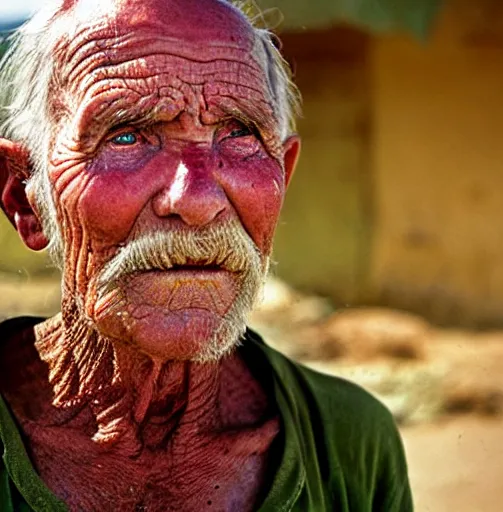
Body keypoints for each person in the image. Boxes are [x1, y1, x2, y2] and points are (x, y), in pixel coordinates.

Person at [0, 0, 413, 510]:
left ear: (283, 174)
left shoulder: (352, 443)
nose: (197, 200)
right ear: (25, 197)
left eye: (238, 133)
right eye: (126, 136)